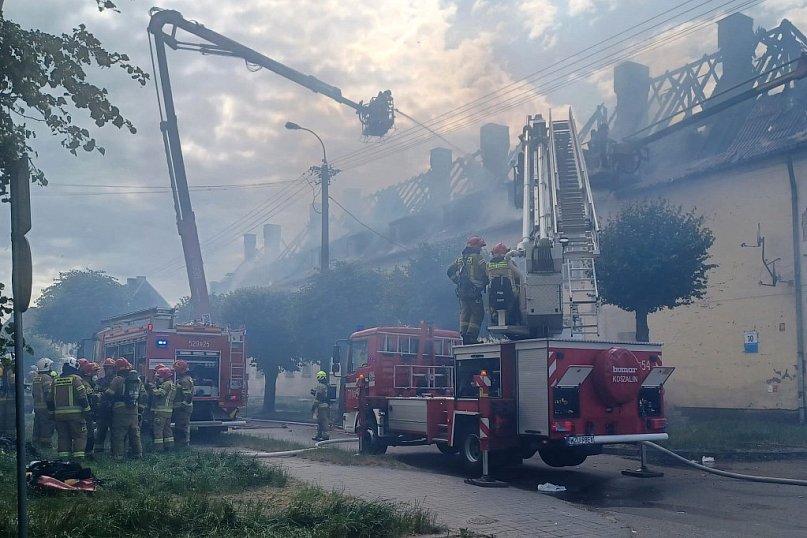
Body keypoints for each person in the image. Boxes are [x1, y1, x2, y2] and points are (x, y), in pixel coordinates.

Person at [447, 236, 489, 344]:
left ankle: (464, 336)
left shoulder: (460, 259)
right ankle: (472, 336)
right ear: (474, 246)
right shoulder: (478, 258)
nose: (480, 249)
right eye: (479, 246)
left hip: (462, 293)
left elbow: (450, 271)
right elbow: (488, 271)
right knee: (478, 313)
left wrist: (458, 282)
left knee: (465, 313)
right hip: (474, 292)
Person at [49, 357, 91, 460]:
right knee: (80, 435)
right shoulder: (76, 379)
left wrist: (51, 414)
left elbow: (49, 400)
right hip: (76, 416)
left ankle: (64, 458)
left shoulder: (55, 381)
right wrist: (87, 411)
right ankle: (79, 458)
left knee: (63, 437)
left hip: (59, 416)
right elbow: (82, 397)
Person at [105, 358, 143, 460]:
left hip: (120, 410)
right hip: (134, 410)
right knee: (135, 433)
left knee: (119, 434)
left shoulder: (117, 379)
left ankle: (118, 456)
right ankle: (138, 454)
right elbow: (143, 395)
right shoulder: (137, 380)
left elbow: (110, 393)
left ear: (117, 368)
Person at [487, 242, 523, 326]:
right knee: (519, 297)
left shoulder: (489, 265)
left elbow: (487, 277)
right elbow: (518, 276)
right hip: (510, 292)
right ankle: (517, 319)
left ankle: (495, 317)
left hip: (494, 293)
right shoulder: (510, 263)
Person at [148, 366, 176, 451]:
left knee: (158, 431)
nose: (159, 379)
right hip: (168, 411)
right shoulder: (172, 384)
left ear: (165, 376)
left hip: (161, 412)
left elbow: (159, 394)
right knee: (167, 430)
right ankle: (169, 447)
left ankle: (158, 449)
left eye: (160, 377)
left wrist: (152, 387)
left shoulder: (166, 384)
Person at [31, 358, 56, 450]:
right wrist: (52, 407)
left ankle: (36, 443)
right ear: (46, 366)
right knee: (47, 425)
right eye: (50, 366)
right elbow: (48, 393)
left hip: (37, 407)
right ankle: (46, 445)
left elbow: (33, 393)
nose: (51, 368)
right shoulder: (47, 378)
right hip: (45, 407)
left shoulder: (36, 378)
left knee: (37, 425)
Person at [94, 358, 116, 455]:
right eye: (106, 368)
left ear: (114, 369)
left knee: (115, 432)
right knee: (101, 431)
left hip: (114, 410)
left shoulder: (117, 380)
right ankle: (99, 451)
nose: (108, 370)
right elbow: (96, 392)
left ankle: (114, 451)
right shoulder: (100, 381)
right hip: (103, 410)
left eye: (110, 368)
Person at [79, 362, 100, 455]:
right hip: (86, 413)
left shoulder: (85, 382)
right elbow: (92, 398)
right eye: (94, 372)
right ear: (88, 373)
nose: (96, 374)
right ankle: (88, 452)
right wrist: (100, 395)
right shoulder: (86, 384)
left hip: (83, 412)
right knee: (89, 432)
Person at [172, 360, 194, 449]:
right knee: (180, 427)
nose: (175, 371)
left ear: (181, 370)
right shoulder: (184, 379)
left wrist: (182, 406)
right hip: (182, 409)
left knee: (182, 427)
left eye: (176, 369)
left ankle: (183, 446)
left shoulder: (185, 380)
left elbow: (188, 396)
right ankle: (181, 445)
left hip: (183, 410)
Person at [310, 370, 331, 441]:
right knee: (321, 421)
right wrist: (314, 392)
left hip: (321, 406)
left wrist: (313, 406)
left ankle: (324, 436)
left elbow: (318, 397)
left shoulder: (320, 386)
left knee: (322, 421)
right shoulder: (326, 385)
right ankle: (319, 435)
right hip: (326, 405)